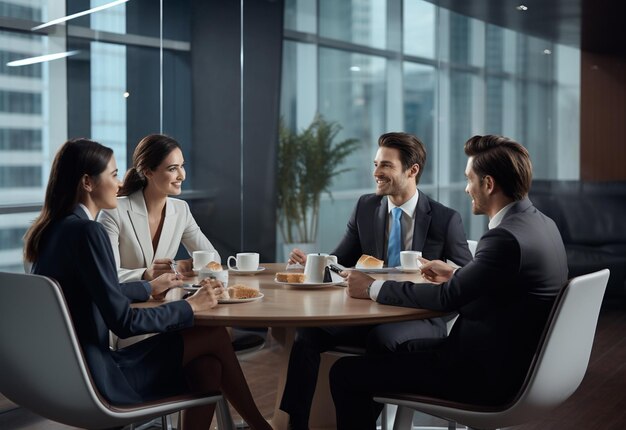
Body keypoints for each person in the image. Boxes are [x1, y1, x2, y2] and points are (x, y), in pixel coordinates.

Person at [23, 138, 271, 430]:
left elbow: (97, 292)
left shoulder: (52, 230)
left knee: (208, 369)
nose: (119, 183)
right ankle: (261, 427)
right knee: (214, 335)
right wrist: (188, 306)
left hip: (67, 376)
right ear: (88, 182)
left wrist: (147, 288)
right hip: (102, 378)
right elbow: (123, 322)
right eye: (113, 175)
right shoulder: (89, 232)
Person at [329, 135, 568, 430]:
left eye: (470, 180)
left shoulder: (503, 238)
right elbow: (503, 284)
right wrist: (456, 273)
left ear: (489, 184)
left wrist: (371, 287)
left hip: (482, 376)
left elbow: (446, 299)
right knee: (391, 347)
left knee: (345, 374)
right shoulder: (542, 225)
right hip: (519, 366)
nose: (467, 188)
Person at [281, 132, 473, 429]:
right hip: (368, 312)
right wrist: (318, 263)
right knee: (307, 334)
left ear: (412, 170)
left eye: (385, 165)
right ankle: (296, 423)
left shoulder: (445, 219)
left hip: (418, 317)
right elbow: (341, 259)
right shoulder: (366, 207)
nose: (376, 173)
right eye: (375, 164)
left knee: (382, 339)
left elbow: (466, 280)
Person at [98, 134, 220, 283]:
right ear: (148, 172)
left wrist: (183, 265)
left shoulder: (181, 209)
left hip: (164, 300)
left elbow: (213, 257)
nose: (182, 175)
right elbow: (107, 274)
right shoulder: (113, 211)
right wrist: (145, 274)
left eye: (182, 166)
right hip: (128, 302)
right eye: (172, 169)